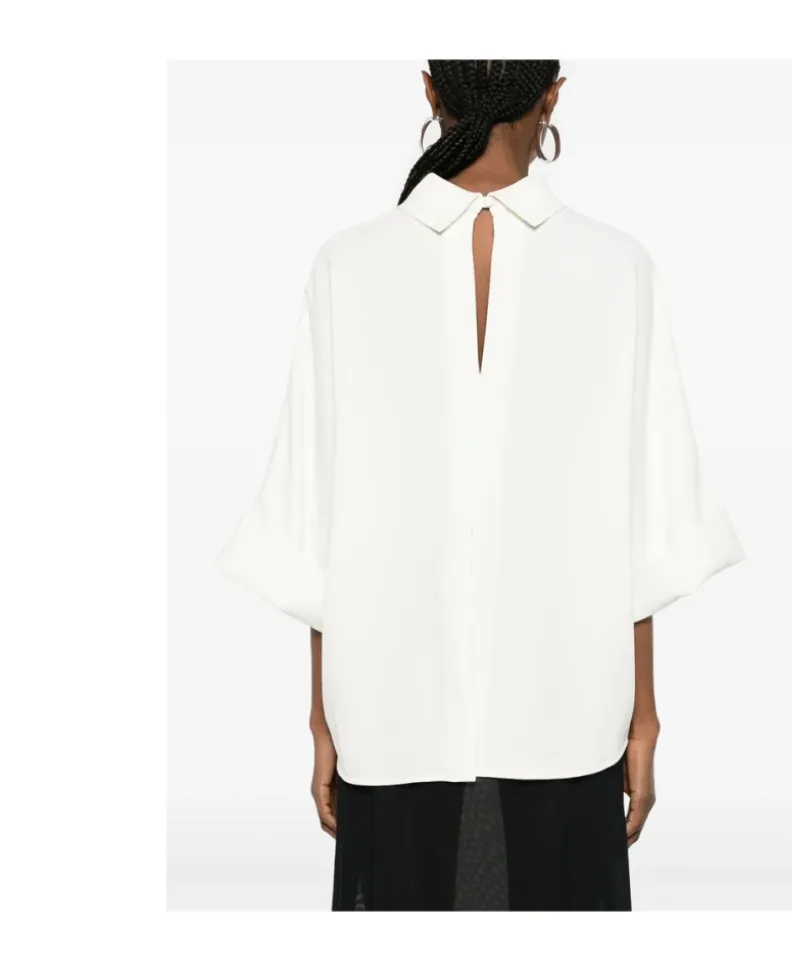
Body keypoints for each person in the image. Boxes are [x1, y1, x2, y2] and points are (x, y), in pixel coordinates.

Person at [217, 59, 745, 911]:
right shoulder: (618, 266)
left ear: (430, 90)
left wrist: (322, 719)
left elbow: (316, 528)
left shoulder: (348, 265)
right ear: (553, 93)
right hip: (569, 715)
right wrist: (644, 717)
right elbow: (644, 530)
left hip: (390, 718)